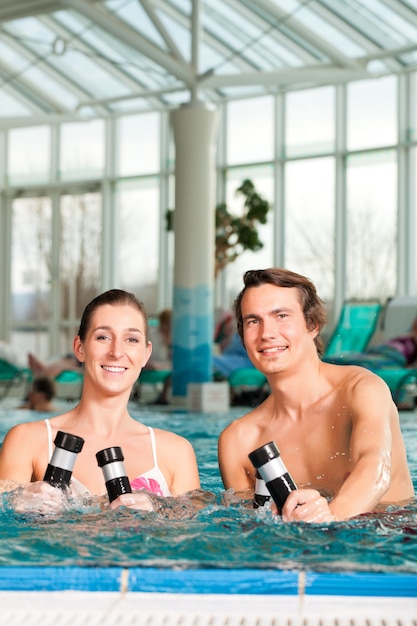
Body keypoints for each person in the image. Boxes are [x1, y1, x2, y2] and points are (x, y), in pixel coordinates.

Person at [218, 268, 414, 523]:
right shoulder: (239, 441)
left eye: (281, 316)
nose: (267, 333)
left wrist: (331, 515)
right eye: (253, 321)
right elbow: (255, 533)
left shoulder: (361, 390)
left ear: (313, 325)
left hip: (392, 541)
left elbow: (376, 465)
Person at [0, 289, 200, 514]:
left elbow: (194, 535)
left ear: (146, 354)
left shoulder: (176, 452)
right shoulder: (27, 440)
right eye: (103, 337)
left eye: (131, 339)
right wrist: (16, 502)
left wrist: (160, 508)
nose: (116, 352)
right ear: (80, 348)